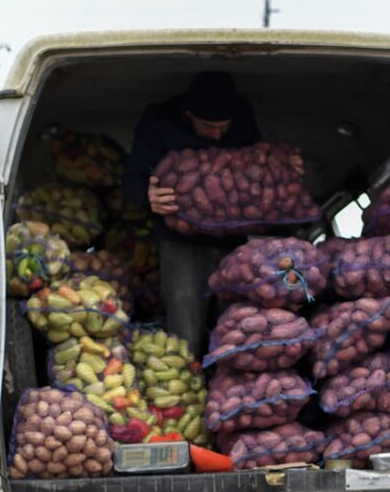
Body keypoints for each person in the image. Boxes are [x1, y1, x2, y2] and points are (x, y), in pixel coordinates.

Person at [122, 71, 302, 351]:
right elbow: (133, 176)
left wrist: (284, 165)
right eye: (208, 126)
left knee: (235, 327)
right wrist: (148, 196)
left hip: (232, 241)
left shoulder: (242, 120)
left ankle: (229, 386)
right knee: (185, 330)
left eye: (223, 127)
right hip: (179, 242)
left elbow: (259, 163)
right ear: (188, 114)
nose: (217, 134)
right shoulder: (158, 122)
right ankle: (189, 384)